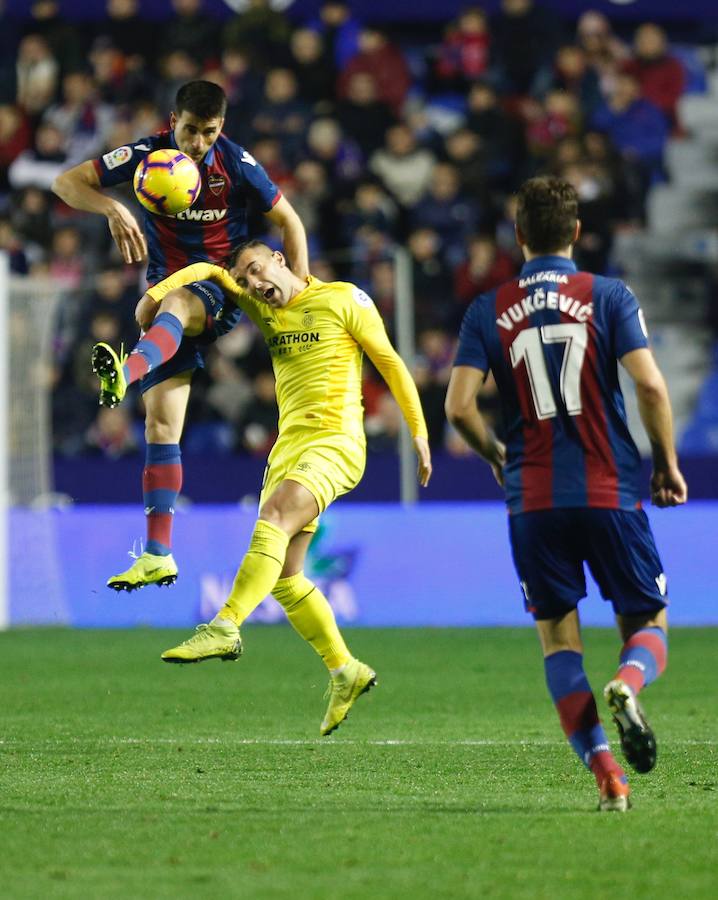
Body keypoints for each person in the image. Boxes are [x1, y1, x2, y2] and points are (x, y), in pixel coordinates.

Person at [92, 240, 432, 735]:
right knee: (287, 576)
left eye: (257, 270)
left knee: (273, 516)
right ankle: (345, 669)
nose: (255, 285)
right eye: (246, 281)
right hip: (287, 450)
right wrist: (160, 292)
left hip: (335, 442)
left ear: (279, 257)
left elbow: (392, 363)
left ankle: (225, 625)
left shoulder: (344, 299)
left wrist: (418, 433)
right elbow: (208, 270)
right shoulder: (258, 302)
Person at [445, 175, 687, 812]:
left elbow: (458, 406)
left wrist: (498, 453)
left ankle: (608, 775)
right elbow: (653, 388)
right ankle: (630, 682)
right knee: (647, 622)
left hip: (533, 499)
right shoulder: (607, 295)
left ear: (517, 235)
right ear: (576, 232)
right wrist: (665, 464)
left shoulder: (486, 308)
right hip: (609, 489)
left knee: (559, 643)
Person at [52, 79, 308, 591]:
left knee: (178, 300)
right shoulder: (146, 155)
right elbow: (67, 182)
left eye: (208, 133)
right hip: (165, 311)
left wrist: (300, 293)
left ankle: (123, 373)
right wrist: (112, 207)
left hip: (217, 288)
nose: (197, 143)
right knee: (161, 429)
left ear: (221, 128)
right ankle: (158, 553)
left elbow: (289, 220)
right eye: (190, 131)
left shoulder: (235, 163)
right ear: (173, 122)